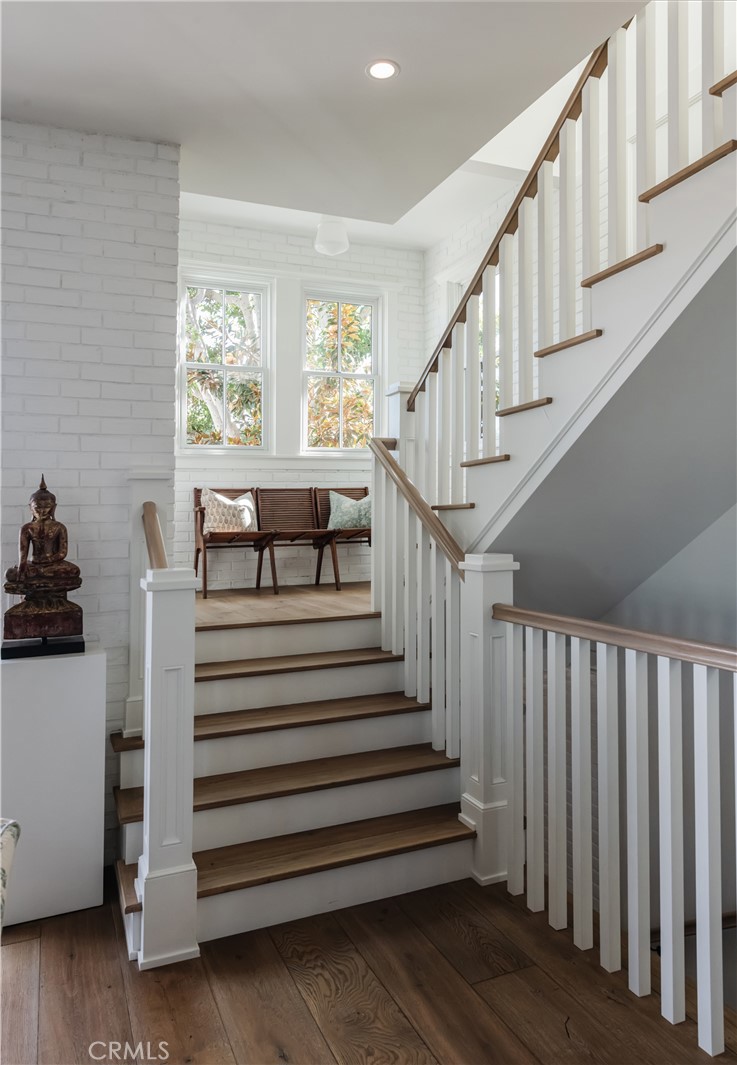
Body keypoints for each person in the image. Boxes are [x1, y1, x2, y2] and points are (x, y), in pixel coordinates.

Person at [4, 477, 81, 592]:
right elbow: (23, 554)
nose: (42, 511)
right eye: (38, 507)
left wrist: (48, 560)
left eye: (47, 507)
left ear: (53, 508)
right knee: (10, 574)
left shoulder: (59, 527)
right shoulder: (27, 528)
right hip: (34, 564)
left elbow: (62, 552)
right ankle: (39, 574)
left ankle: (42, 574)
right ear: (30, 508)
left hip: (52, 564)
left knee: (74, 570)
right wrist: (22, 567)